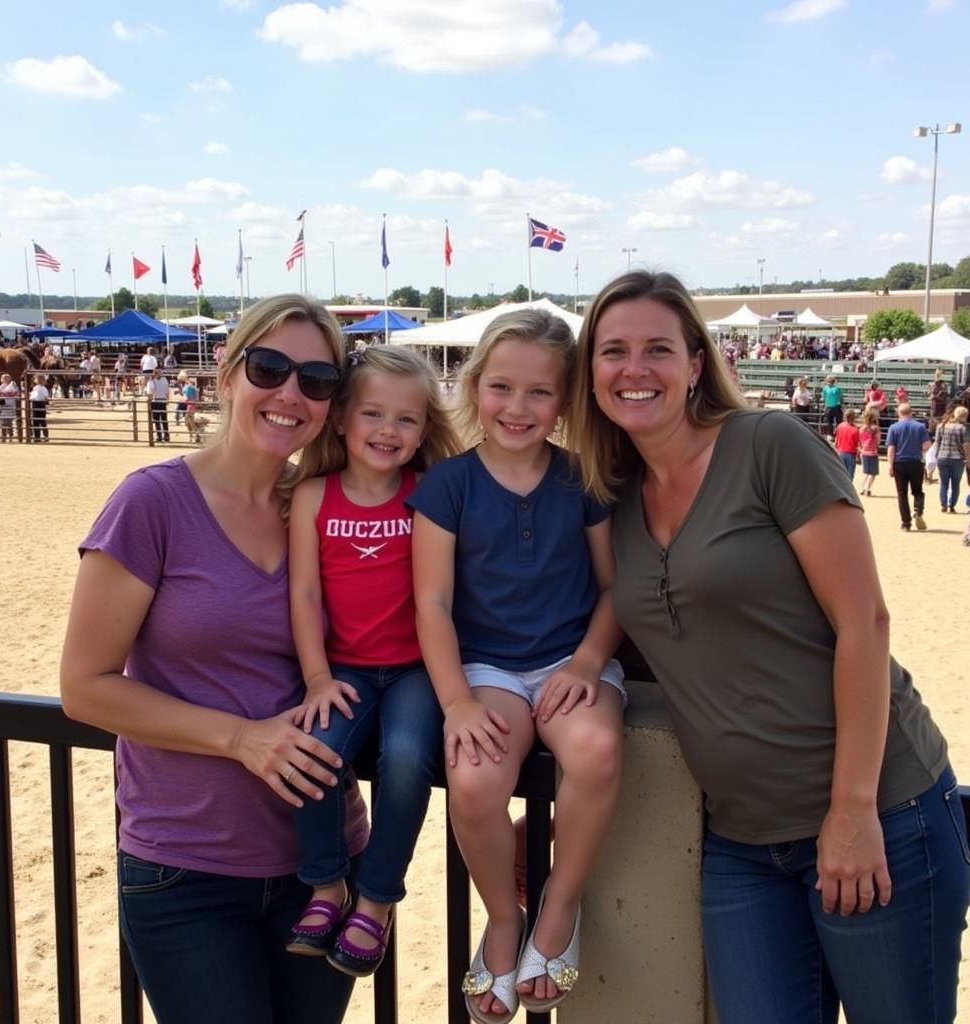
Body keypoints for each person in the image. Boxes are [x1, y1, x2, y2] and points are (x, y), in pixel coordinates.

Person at [567, 270, 968, 1024]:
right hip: (742, 844)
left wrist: (851, 809)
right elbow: (629, 623)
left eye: (659, 348)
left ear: (695, 363)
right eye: (613, 351)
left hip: (878, 812)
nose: (636, 369)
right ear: (590, 375)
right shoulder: (611, 497)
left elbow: (865, 623)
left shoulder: (767, 445)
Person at [59, 294, 368, 1024]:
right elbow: (85, 688)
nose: (290, 393)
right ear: (228, 376)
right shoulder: (152, 502)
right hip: (186, 866)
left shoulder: (325, 507)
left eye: (317, 380)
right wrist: (241, 739)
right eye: (270, 368)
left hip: (323, 864)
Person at [410, 309, 626, 1023]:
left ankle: (559, 906)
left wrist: (590, 660)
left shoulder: (582, 477)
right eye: (502, 387)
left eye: (540, 393)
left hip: (571, 657)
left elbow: (611, 587)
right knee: (473, 781)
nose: (518, 408)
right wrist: (457, 703)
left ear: (565, 401)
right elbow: (433, 603)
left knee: (594, 750)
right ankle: (504, 918)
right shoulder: (447, 485)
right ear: (475, 389)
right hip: (487, 670)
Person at [286, 346, 461, 977]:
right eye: (372, 414)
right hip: (345, 670)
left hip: (416, 668)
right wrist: (315, 679)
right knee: (314, 750)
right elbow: (304, 594)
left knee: (410, 758)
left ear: (423, 430)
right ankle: (327, 887)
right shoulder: (311, 497)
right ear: (340, 420)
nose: (389, 431)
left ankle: (378, 900)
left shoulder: (431, 492)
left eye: (407, 419)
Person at [886, 402, 932, 532]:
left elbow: (891, 448)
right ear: (911, 412)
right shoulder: (920, 427)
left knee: (902, 493)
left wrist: (890, 465)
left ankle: (906, 523)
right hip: (916, 462)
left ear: (899, 413)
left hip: (899, 463)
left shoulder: (893, 428)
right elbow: (927, 445)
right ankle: (918, 510)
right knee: (918, 491)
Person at [934, 405, 969, 514]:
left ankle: (943, 504)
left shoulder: (941, 426)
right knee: (955, 484)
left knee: (944, 483)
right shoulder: (963, 428)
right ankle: (952, 505)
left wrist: (936, 455)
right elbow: (966, 445)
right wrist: (968, 459)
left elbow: (937, 442)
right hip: (957, 459)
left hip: (942, 457)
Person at [858, 407, 881, 496]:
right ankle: (867, 488)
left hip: (863, 451)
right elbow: (878, 441)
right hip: (873, 452)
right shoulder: (876, 428)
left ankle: (863, 488)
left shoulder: (862, 429)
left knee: (866, 472)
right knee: (873, 472)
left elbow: (859, 440)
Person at [833, 408, 860, 480]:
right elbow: (857, 444)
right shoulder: (855, 429)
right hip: (850, 454)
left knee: (840, 474)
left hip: (840, 452)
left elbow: (836, 439)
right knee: (849, 476)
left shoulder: (840, 426)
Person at [146, 371, 171, 443]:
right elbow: (167, 391)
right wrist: (167, 399)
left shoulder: (151, 381)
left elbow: (150, 392)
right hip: (162, 401)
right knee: (164, 419)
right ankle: (166, 435)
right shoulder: (164, 380)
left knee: (157, 420)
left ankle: (159, 435)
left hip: (155, 401)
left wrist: (149, 402)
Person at [0, 373, 18, 443]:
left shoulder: (13, 385)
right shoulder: (1, 386)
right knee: (2, 422)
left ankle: (10, 436)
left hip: (10, 405)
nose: (5, 379)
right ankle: (3, 437)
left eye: (7, 378)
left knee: (9, 422)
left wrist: (5, 394)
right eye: (3, 378)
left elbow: (16, 393)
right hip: (3, 406)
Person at [29, 374, 50, 442]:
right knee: (36, 421)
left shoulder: (43, 388)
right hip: (36, 403)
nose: (38, 381)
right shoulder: (35, 388)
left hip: (40, 403)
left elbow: (45, 396)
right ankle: (37, 436)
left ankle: (44, 436)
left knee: (41, 420)